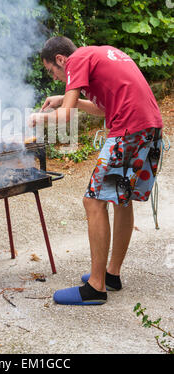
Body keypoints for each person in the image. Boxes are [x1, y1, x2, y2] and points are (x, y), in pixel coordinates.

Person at [29, 36, 163, 306]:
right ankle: (111, 275)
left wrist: (34, 118)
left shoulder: (76, 60)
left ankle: (95, 287)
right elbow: (103, 110)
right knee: (119, 199)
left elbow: (64, 118)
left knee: (93, 201)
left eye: (52, 71)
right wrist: (69, 101)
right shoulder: (102, 53)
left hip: (129, 130)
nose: (56, 77)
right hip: (150, 127)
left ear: (60, 59)